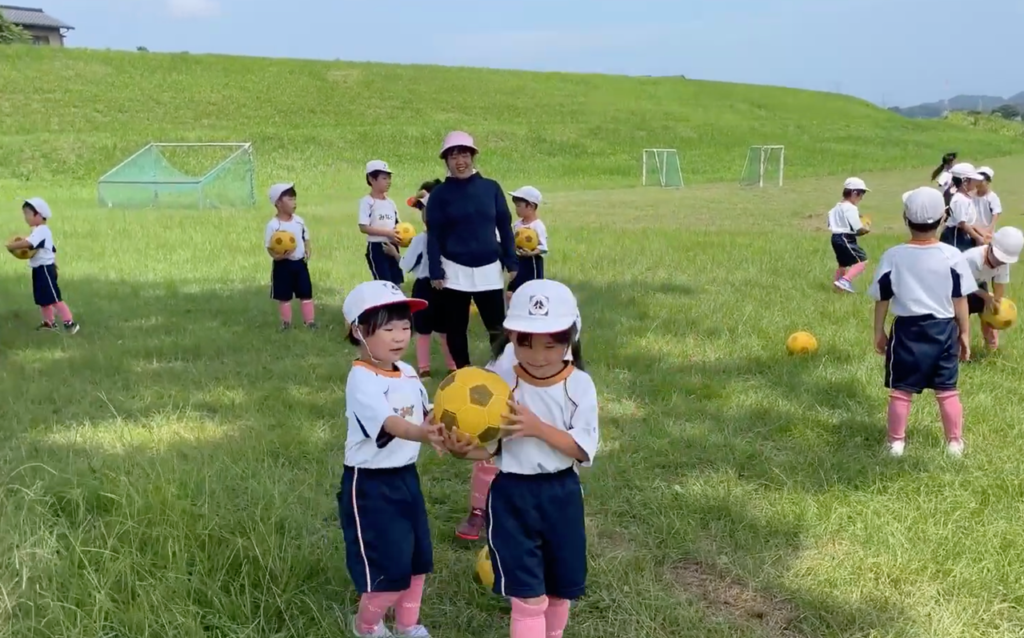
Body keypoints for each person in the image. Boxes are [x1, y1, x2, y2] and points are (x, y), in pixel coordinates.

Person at [442, 279, 598, 638]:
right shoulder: (499, 381)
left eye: (551, 343)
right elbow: (494, 446)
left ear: (571, 337)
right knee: (527, 598)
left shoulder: (578, 386)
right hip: (512, 495)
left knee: (560, 593)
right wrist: (462, 449)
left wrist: (537, 426)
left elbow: (582, 448)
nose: (538, 355)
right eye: (525, 342)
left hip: (561, 494)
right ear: (510, 335)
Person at [339, 280, 445, 638]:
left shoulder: (410, 372)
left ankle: (408, 626)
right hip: (370, 485)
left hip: (405, 478)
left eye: (404, 326)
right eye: (388, 328)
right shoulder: (361, 378)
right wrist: (422, 434)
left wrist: (442, 430)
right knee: (388, 569)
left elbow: (425, 413)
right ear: (359, 330)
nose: (400, 336)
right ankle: (367, 627)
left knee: (416, 563)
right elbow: (391, 423)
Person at [868, 187, 976, 458]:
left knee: (901, 390)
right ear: (943, 218)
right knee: (947, 390)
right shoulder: (953, 256)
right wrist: (964, 333)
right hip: (943, 330)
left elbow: (882, 297)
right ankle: (954, 443)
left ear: (906, 218)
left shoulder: (893, 255)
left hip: (907, 331)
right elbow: (959, 300)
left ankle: (896, 444)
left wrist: (878, 331)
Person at [425, 131, 518, 368]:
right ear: (446, 161)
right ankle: (463, 372)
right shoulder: (439, 195)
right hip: (454, 270)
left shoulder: (491, 188)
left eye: (464, 154)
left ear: (473, 157)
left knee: (497, 327)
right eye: (453, 156)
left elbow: (504, 227)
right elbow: (433, 234)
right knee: (455, 328)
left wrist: (512, 261)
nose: (460, 161)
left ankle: (502, 368)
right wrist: (435, 270)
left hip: (489, 269)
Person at [401, 180, 457, 377]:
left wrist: (394, 254)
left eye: (424, 209)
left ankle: (425, 369)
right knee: (444, 330)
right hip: (448, 287)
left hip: (425, 287)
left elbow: (406, 265)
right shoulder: (451, 236)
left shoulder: (420, 239)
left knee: (424, 330)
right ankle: (452, 366)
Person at [5, 198, 79, 333]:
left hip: (45, 269)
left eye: (27, 214)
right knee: (42, 298)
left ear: (38, 215)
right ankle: (49, 323)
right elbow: (51, 249)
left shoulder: (42, 231)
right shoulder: (37, 230)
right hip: (39, 269)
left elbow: (28, 244)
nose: (25, 218)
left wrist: (11, 246)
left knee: (54, 298)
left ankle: (70, 323)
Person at [962, 226, 1023, 351]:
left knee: (989, 310)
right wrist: (986, 296)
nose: (1000, 262)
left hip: (978, 284)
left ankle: (992, 348)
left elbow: (999, 287)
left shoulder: (1003, 264)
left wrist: (996, 305)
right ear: (991, 245)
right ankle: (963, 349)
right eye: (998, 258)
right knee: (962, 319)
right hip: (959, 287)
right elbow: (964, 284)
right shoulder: (973, 259)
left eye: (1004, 260)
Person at [264, 183, 316, 330]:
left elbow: (306, 237)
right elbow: (269, 247)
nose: (294, 203)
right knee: (284, 296)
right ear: (278, 203)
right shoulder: (274, 225)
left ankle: (310, 322)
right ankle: (286, 323)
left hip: (299, 263)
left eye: (295, 199)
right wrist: (278, 256)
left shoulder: (299, 221)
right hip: (283, 265)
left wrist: (307, 249)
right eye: (290, 200)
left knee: (306, 292)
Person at [359, 160, 404, 286]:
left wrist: (400, 236)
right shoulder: (367, 202)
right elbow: (363, 227)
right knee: (383, 282)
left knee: (397, 280)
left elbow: (397, 223)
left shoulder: (391, 203)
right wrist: (387, 233)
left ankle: (398, 304)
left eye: (389, 178)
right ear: (372, 179)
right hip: (377, 247)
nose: (388, 181)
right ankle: (385, 305)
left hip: (393, 246)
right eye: (384, 178)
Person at [827, 177, 871, 293]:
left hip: (835, 237)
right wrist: (866, 229)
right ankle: (845, 280)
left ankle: (838, 288)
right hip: (846, 237)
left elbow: (829, 223)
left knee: (843, 264)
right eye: (862, 194)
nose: (862, 198)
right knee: (862, 260)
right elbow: (857, 229)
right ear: (854, 193)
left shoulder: (836, 207)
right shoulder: (851, 208)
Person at [507, 186, 548, 300]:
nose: (516, 209)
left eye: (519, 206)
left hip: (532, 263)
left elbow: (543, 247)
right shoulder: (517, 224)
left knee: (532, 291)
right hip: (518, 261)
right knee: (512, 291)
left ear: (530, 206)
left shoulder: (537, 226)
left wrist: (531, 253)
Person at [940, 163, 986, 252]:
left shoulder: (964, 198)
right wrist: (977, 237)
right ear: (965, 181)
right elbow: (962, 223)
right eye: (973, 180)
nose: (976, 183)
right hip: (957, 237)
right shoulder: (960, 199)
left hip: (965, 235)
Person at [973, 166, 1002, 243]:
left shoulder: (992, 197)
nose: (978, 184)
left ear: (988, 182)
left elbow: (996, 213)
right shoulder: (972, 196)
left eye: (981, 181)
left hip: (986, 232)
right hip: (973, 230)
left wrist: (989, 229)